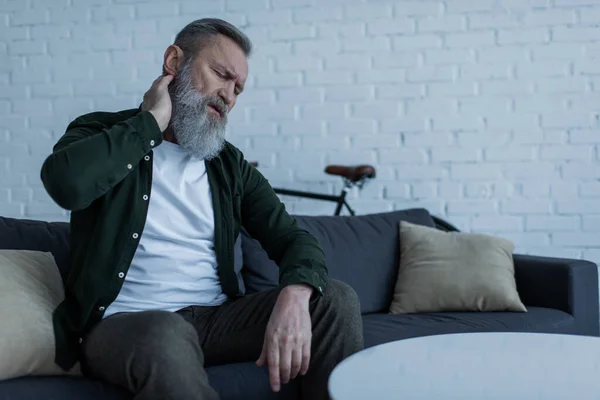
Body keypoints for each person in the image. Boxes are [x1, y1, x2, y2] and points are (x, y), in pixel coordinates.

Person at [40, 18, 364, 400]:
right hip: (124, 325)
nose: (228, 95)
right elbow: (66, 184)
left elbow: (292, 237)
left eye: (238, 88)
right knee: (165, 332)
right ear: (174, 62)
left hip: (216, 321)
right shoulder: (101, 132)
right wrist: (148, 125)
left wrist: (295, 292)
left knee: (335, 300)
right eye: (220, 75)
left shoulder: (228, 165)